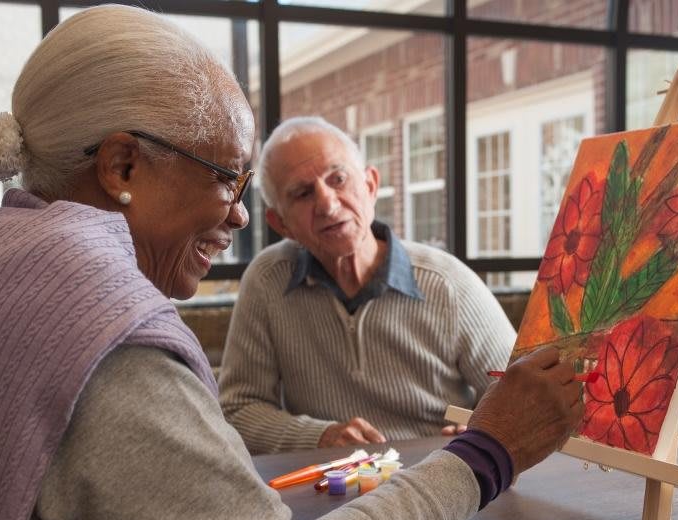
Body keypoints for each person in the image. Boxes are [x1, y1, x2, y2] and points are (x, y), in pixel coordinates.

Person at [0, 6, 583, 520]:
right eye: (229, 180)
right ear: (122, 166)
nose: (237, 217)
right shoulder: (97, 334)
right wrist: (486, 453)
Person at [218, 117, 516, 454]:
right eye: (303, 193)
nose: (328, 204)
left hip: (441, 480)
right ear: (280, 223)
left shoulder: (448, 284)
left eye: (339, 179)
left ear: (371, 186)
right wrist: (321, 436)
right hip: (331, 493)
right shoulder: (267, 281)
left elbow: (523, 402)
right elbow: (238, 411)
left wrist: (482, 433)